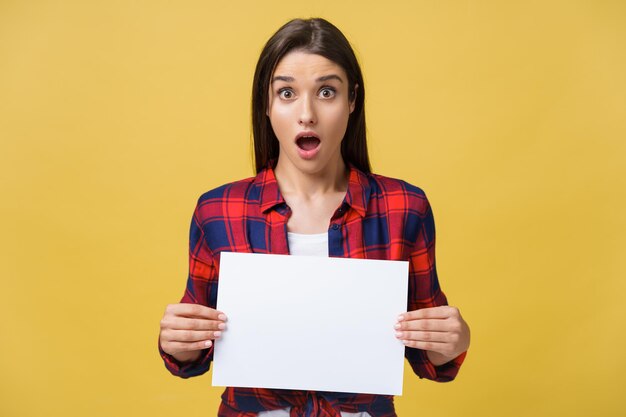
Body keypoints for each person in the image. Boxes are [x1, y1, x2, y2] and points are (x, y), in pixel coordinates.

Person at [158, 17, 470, 417]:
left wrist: (452, 341)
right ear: (266, 106)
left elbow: (429, 355)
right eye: (286, 93)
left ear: (352, 100)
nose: (306, 114)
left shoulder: (404, 207)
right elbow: (194, 352)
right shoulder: (217, 211)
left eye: (326, 92)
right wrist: (178, 343)